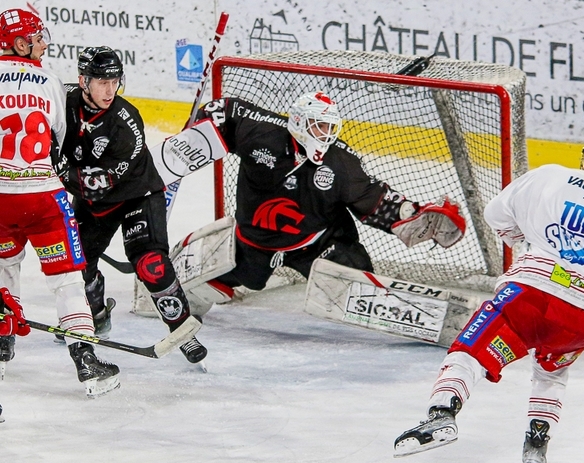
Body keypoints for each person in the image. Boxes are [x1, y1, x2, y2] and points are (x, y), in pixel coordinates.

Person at [393, 133, 584, 463]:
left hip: (529, 296)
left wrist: (523, 240)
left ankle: (442, 415)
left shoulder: (550, 175)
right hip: (579, 319)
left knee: (471, 351)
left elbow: (495, 213)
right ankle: (537, 442)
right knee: (552, 371)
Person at [179, 92, 466, 315]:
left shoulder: (340, 161)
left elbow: (373, 198)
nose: (326, 134)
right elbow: (227, 110)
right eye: (319, 126)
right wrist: (196, 132)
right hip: (256, 241)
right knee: (234, 281)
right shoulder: (262, 136)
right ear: (300, 123)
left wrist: (411, 215)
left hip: (318, 242)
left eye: (330, 126)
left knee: (354, 281)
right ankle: (178, 285)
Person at [56, 46, 205, 364]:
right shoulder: (63, 104)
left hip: (138, 195)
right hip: (93, 204)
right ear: (83, 81)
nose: (110, 90)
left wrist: (54, 170)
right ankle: (94, 314)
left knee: (151, 263)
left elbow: (96, 184)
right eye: (102, 82)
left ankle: (183, 332)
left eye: (115, 81)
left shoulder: (125, 122)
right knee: (78, 264)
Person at [0, 9, 120, 396]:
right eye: (36, 37)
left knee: (4, 269)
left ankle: (2, 346)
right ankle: (86, 361)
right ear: (20, 43)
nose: (44, 42)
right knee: (67, 279)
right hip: (42, 198)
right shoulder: (50, 80)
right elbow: (59, 139)